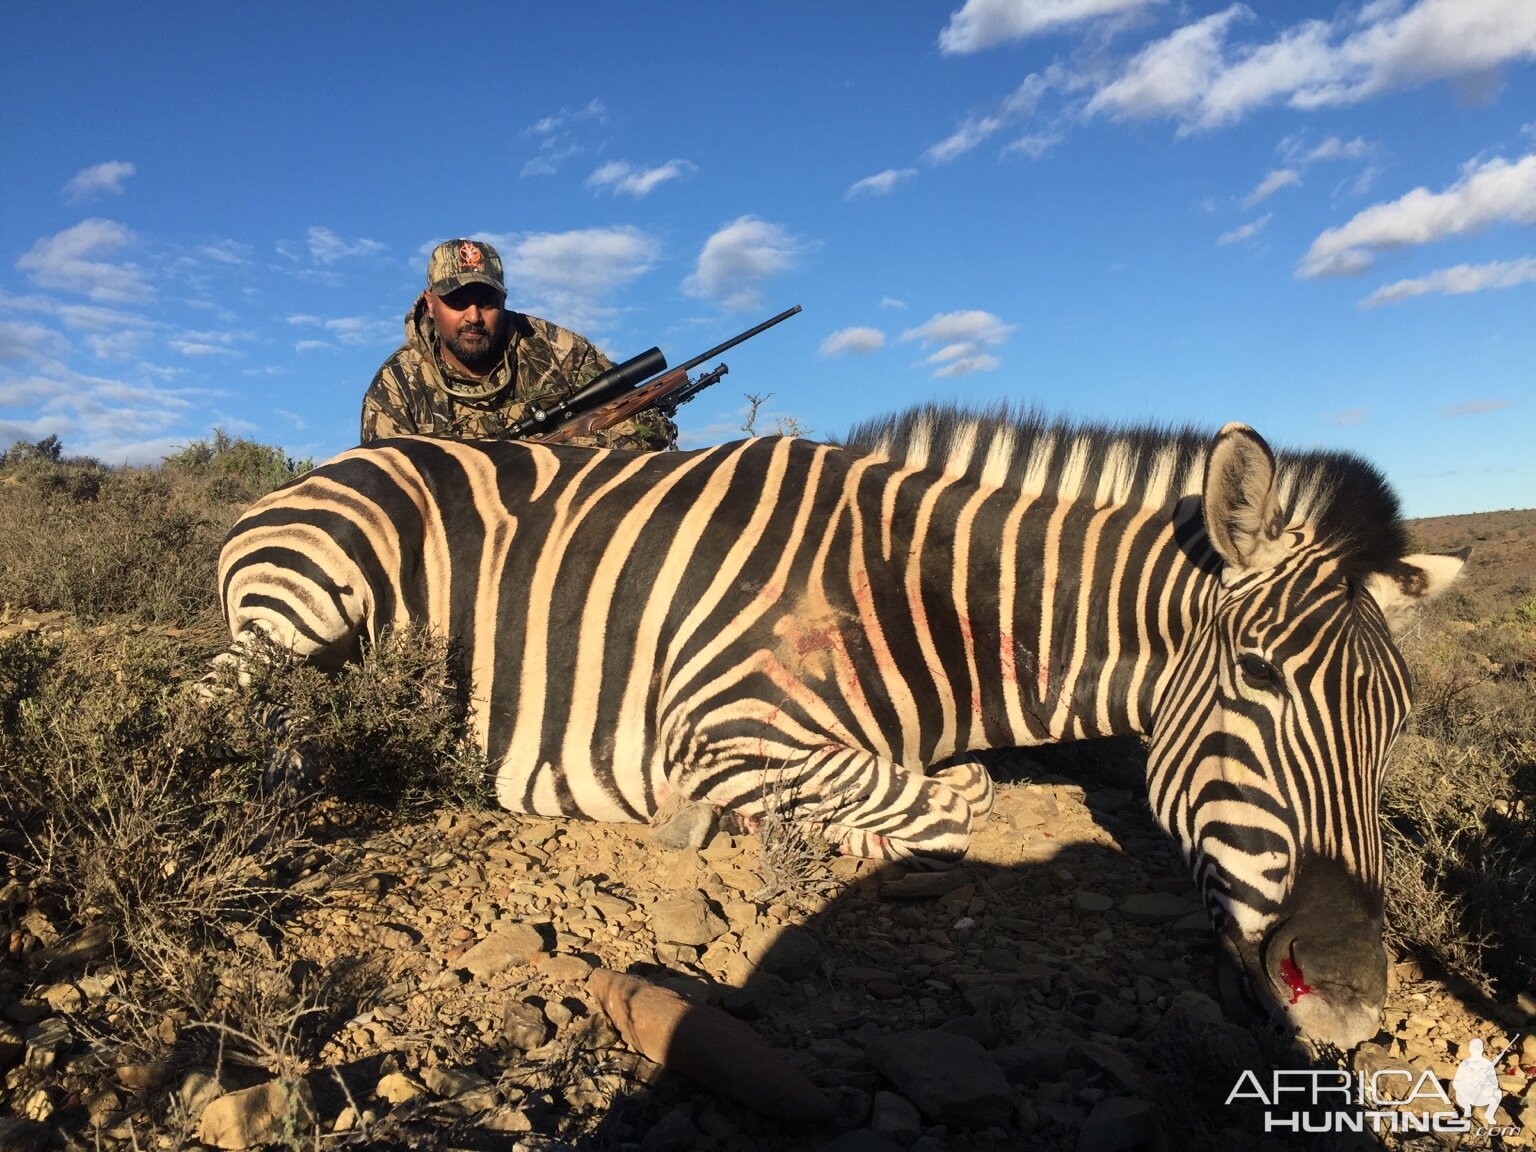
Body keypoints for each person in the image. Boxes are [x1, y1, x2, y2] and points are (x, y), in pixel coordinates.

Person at [360, 238, 673, 449]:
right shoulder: (395, 387)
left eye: (487, 302)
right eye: (457, 302)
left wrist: (560, 454)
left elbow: (646, 422)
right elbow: (386, 494)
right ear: (430, 304)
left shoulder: (558, 349)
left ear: (504, 299)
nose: (473, 317)